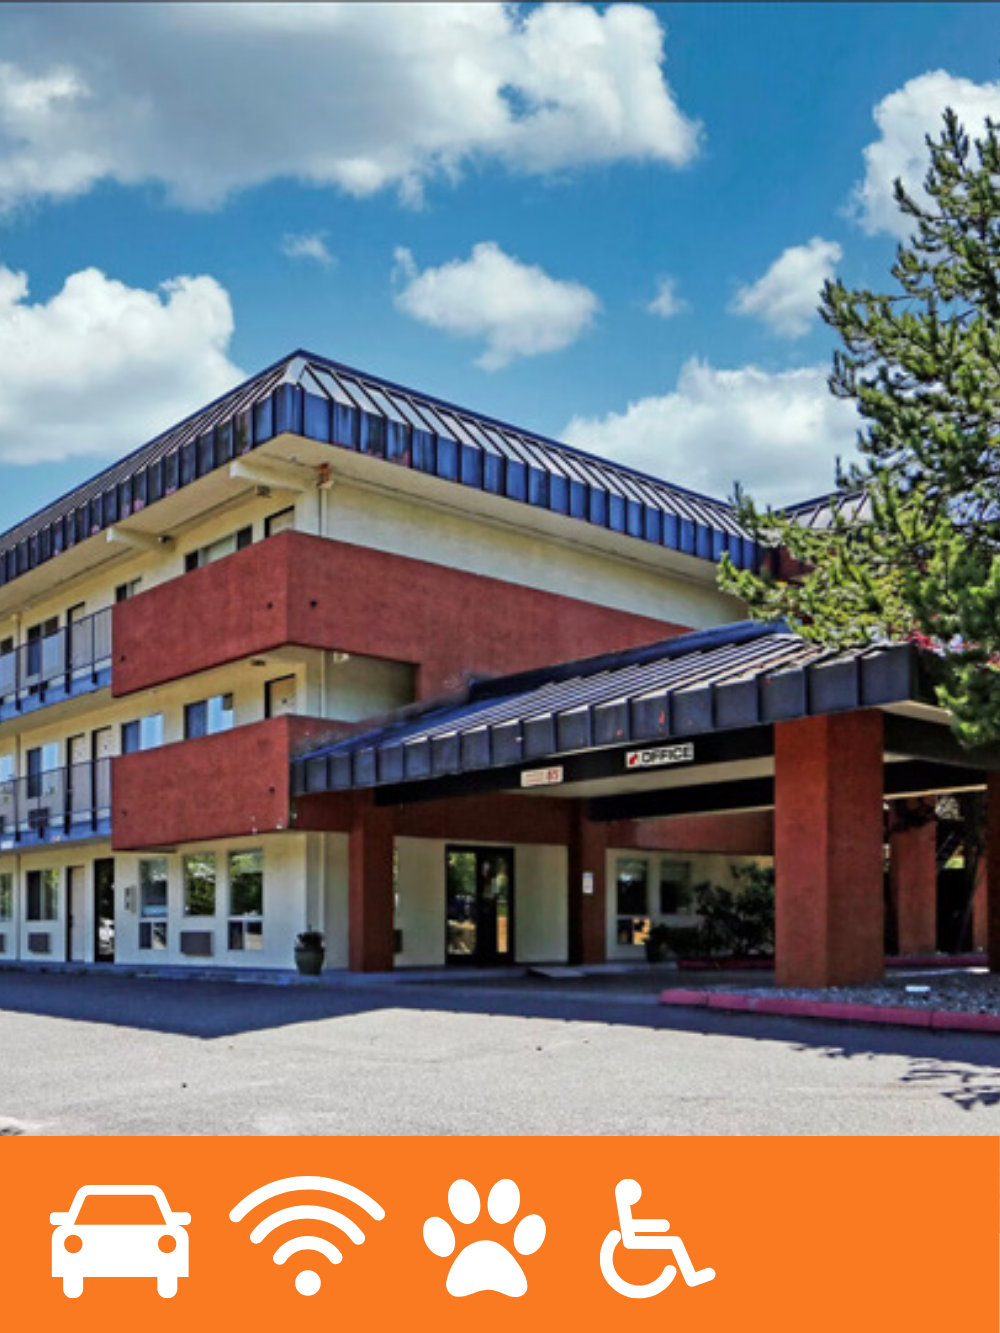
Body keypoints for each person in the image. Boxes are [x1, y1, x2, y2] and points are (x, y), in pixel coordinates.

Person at [614, 1180, 715, 1286]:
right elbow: (631, 1227)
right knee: (675, 1241)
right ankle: (691, 1277)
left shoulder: (623, 1205)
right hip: (633, 1241)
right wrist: (661, 1225)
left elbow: (632, 1225)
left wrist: (661, 1225)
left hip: (634, 1237)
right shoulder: (624, 1206)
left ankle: (691, 1276)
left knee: (675, 1241)